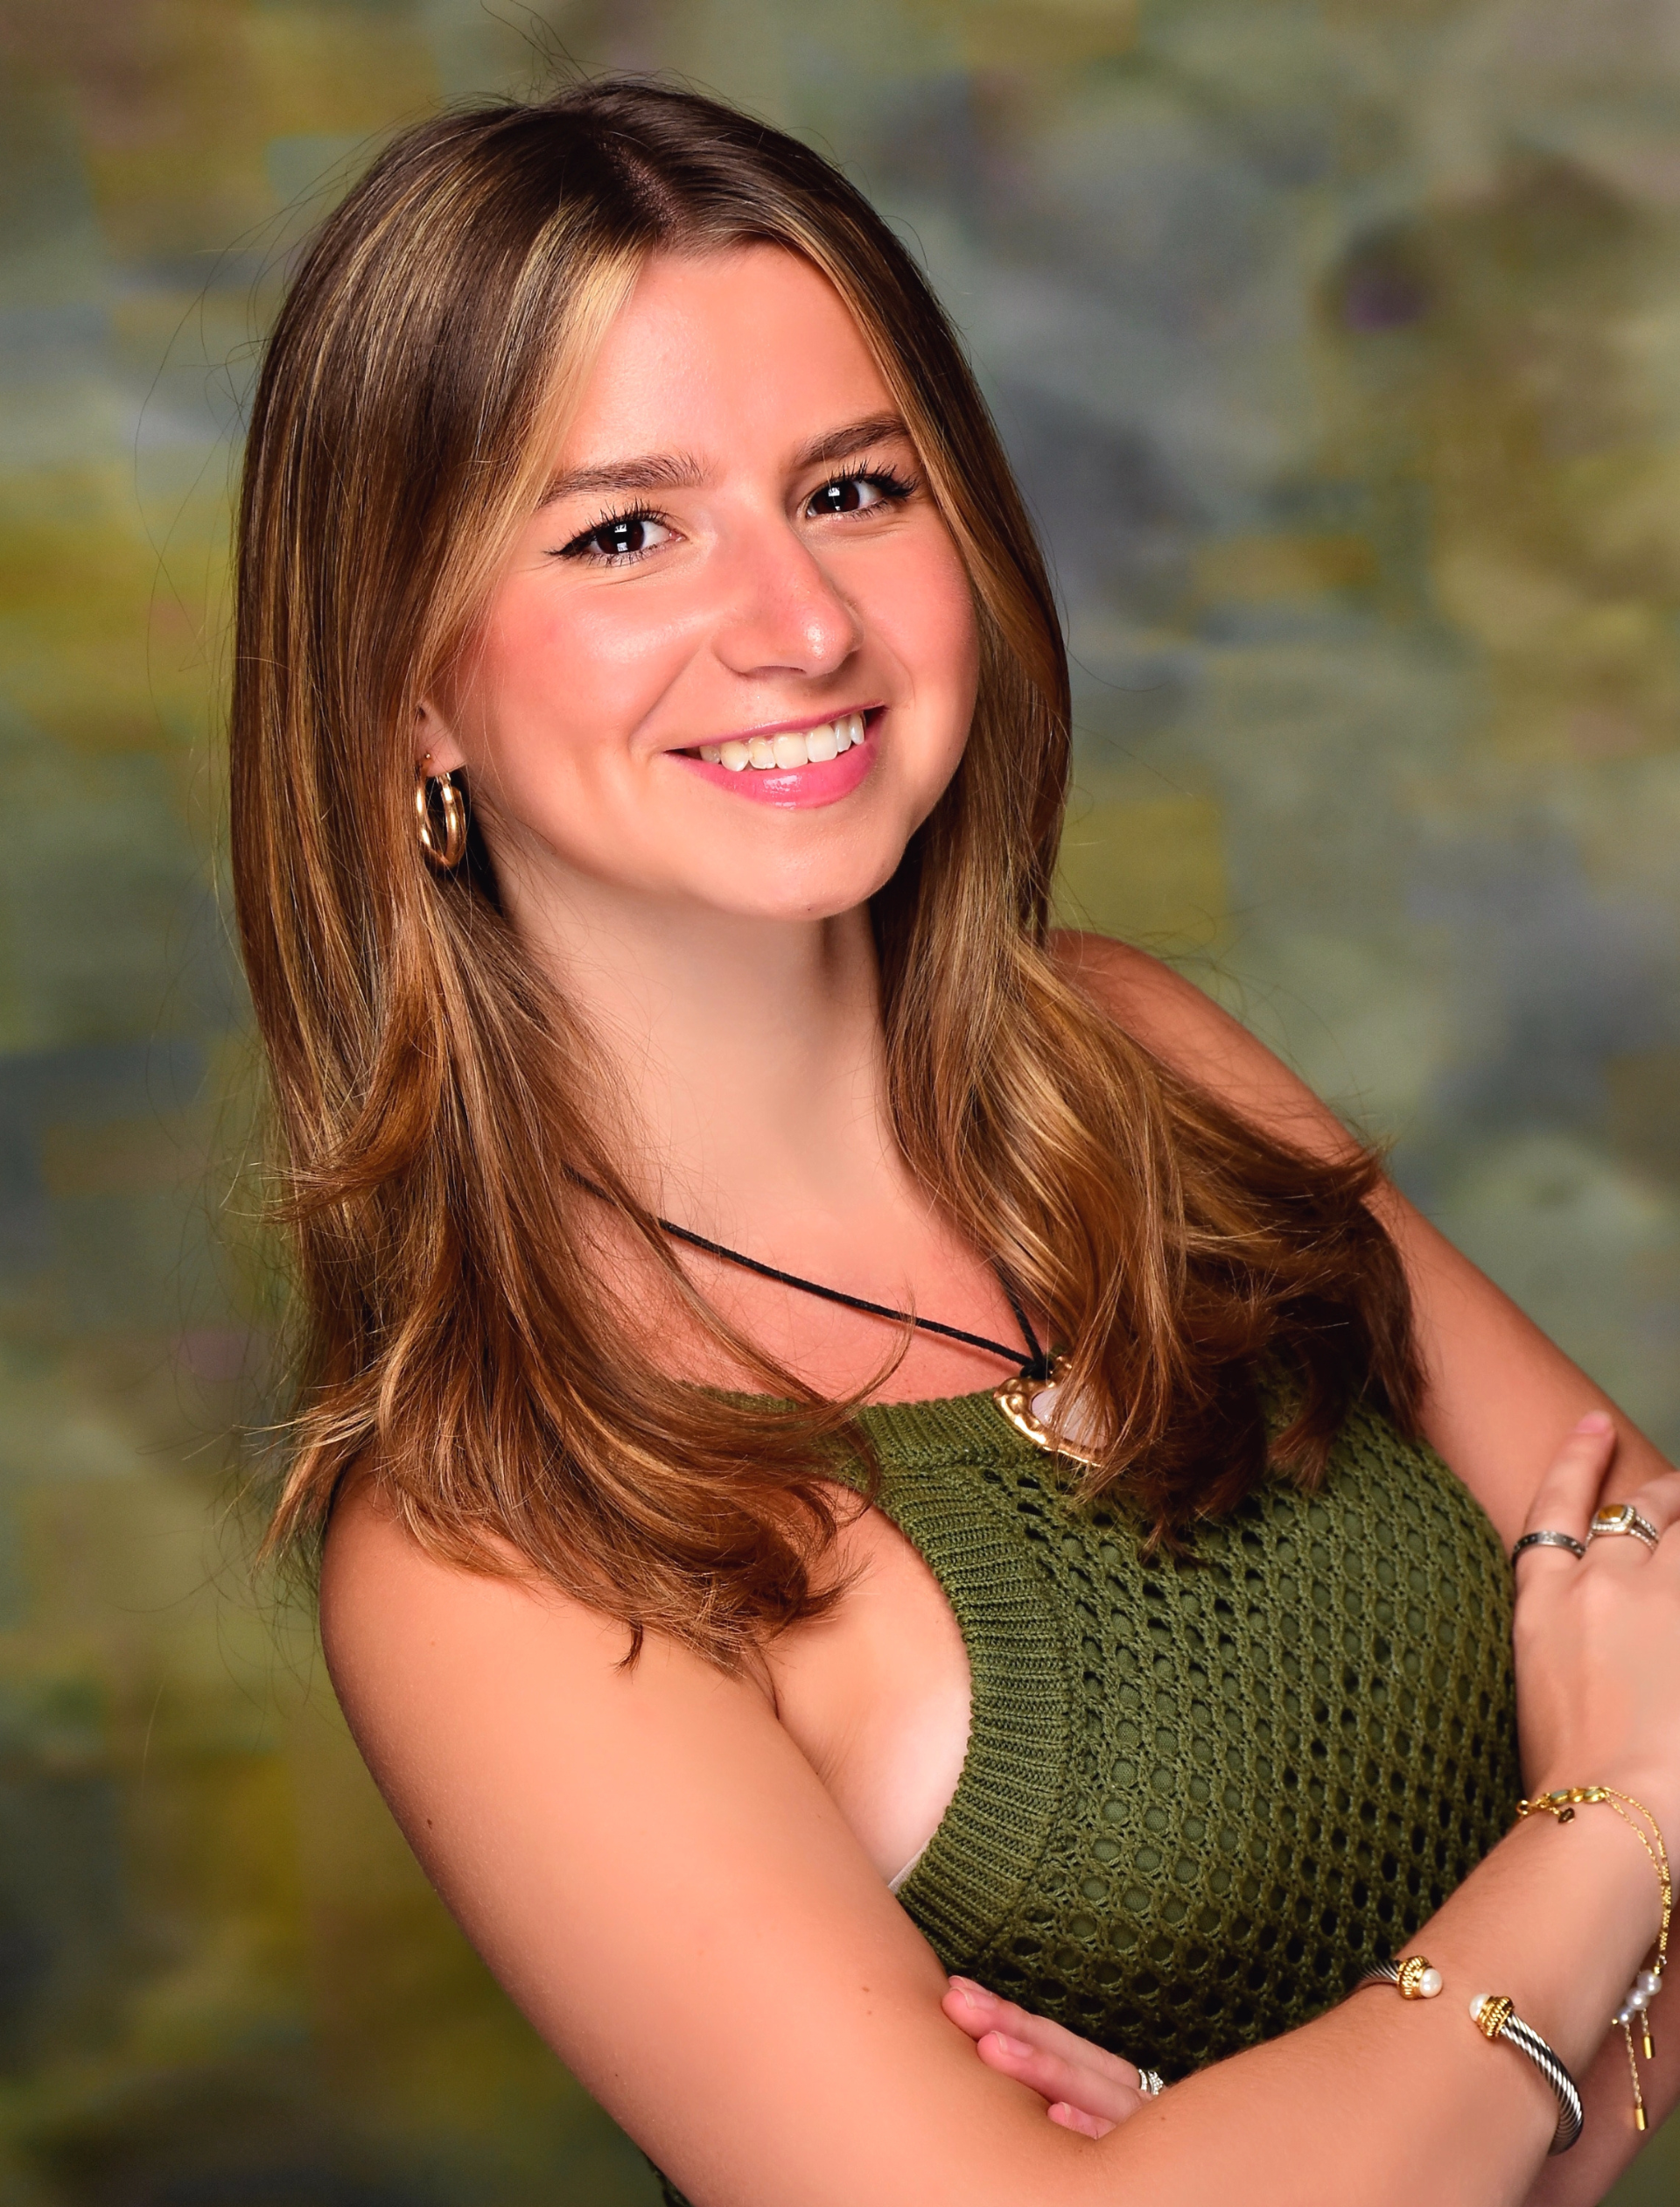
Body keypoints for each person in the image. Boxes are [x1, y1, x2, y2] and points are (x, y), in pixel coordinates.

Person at [229, 78, 1680, 2207]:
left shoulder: (1145, 1054)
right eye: (623, 530)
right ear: (407, 694)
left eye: (853, 488)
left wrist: (1326, 2147)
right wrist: (1618, 1826)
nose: (800, 624)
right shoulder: (491, 1539)